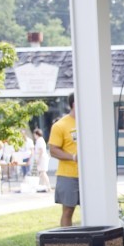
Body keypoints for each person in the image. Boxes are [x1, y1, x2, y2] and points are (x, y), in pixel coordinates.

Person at [49, 93, 79, 226]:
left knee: (94, 209)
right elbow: (53, 150)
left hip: (90, 176)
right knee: (68, 211)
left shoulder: (89, 122)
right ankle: (67, 243)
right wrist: (73, 157)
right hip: (68, 175)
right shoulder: (60, 125)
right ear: (74, 104)